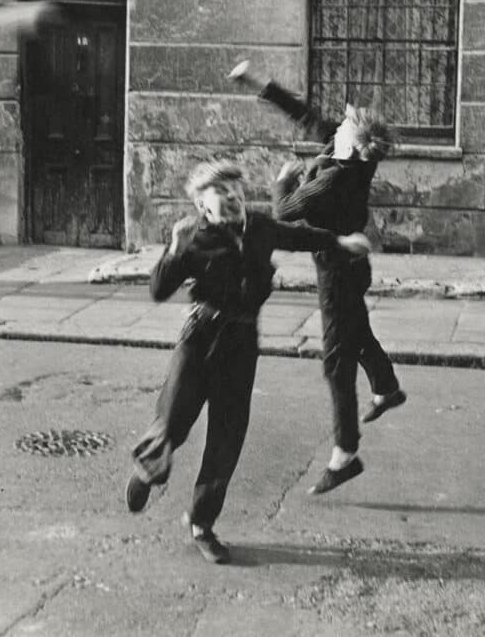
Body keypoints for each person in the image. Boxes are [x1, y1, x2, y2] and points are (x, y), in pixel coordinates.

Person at [125, 159, 372, 562]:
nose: (233, 198)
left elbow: (298, 236)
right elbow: (157, 290)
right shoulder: (193, 238)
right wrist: (172, 250)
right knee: (173, 420)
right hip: (199, 339)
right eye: (221, 194)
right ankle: (147, 471)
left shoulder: (259, 228)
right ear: (203, 206)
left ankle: (202, 524)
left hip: (241, 343)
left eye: (237, 191)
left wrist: (339, 243)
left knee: (227, 436)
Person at [228, 60, 406, 495]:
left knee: (336, 362)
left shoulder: (332, 180)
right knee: (356, 332)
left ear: (352, 144)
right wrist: (259, 83)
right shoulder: (344, 151)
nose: (337, 122)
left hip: (338, 273)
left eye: (345, 123)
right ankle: (386, 387)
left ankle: (345, 455)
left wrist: (282, 182)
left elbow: (284, 213)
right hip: (352, 267)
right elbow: (304, 114)